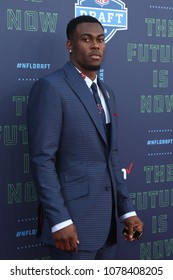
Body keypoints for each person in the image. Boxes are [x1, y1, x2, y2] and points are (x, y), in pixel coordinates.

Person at [27, 15, 144, 260]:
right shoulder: (51, 88)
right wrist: (59, 220)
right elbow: (42, 160)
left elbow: (111, 158)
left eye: (100, 40)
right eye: (86, 39)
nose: (95, 45)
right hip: (72, 228)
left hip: (108, 229)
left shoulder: (107, 92)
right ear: (70, 45)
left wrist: (126, 211)